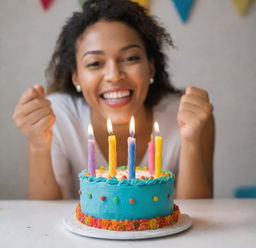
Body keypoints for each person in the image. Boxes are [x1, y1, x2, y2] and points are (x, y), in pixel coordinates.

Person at [13, 0, 214, 200]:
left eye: (130, 58)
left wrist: (190, 141)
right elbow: (43, 215)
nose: (114, 75)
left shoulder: (188, 116)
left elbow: (199, 210)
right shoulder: (57, 116)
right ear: (76, 77)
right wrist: (38, 145)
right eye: (94, 63)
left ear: (151, 67)